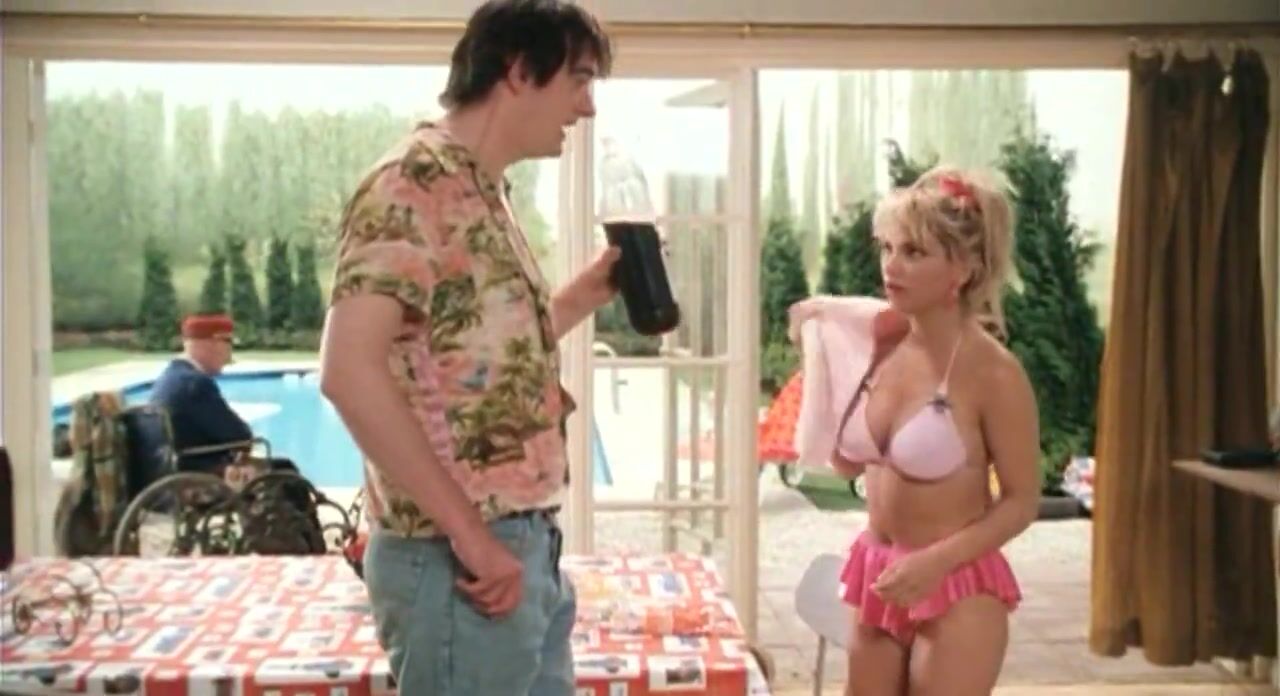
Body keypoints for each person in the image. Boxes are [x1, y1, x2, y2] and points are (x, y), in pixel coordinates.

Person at [317, 2, 617, 694]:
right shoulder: (411, 183)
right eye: (578, 80)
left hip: (519, 549)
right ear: (518, 71)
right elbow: (348, 371)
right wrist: (472, 538)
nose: (587, 107)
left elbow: (479, 357)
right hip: (459, 561)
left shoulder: (480, 189)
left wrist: (586, 294)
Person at [790, 167, 1040, 696]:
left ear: (964, 269)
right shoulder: (877, 345)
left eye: (913, 252)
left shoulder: (993, 374)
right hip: (878, 572)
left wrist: (934, 563)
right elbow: (847, 463)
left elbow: (1022, 502)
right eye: (887, 248)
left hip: (955, 585)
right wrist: (818, 356)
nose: (890, 266)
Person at [148, 313, 260, 474]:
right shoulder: (195, 384)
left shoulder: (170, 377)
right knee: (284, 468)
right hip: (198, 473)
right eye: (228, 343)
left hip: (173, 470)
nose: (229, 356)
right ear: (211, 344)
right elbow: (240, 436)